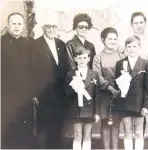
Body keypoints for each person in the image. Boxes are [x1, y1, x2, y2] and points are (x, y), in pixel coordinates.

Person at [30, 17, 68, 148]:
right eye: (48, 26)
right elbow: (31, 70)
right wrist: (34, 93)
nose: (51, 29)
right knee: (45, 126)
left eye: (54, 26)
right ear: (43, 28)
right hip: (44, 93)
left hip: (60, 93)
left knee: (59, 125)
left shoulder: (61, 44)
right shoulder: (35, 45)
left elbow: (65, 68)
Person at [1, 12, 36, 149]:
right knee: (8, 127)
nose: (16, 27)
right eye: (13, 23)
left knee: (25, 127)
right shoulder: (1, 42)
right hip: (6, 94)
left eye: (19, 24)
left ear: (23, 26)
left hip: (25, 95)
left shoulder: (28, 43)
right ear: (8, 25)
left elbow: (32, 70)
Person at [113, 35, 148, 150]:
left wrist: (146, 105)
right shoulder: (120, 64)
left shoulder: (145, 63)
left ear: (139, 47)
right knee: (127, 131)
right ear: (125, 48)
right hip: (125, 102)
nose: (132, 49)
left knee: (139, 132)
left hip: (139, 103)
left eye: (134, 46)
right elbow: (117, 85)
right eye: (129, 46)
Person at [93, 27, 123, 149]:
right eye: (109, 39)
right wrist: (110, 89)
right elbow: (97, 76)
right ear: (103, 40)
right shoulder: (98, 57)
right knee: (105, 123)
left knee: (116, 124)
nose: (112, 41)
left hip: (119, 94)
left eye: (115, 39)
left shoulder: (121, 55)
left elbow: (125, 74)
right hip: (104, 95)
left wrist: (119, 90)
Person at [64, 46, 100, 150]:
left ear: (89, 58)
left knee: (87, 135)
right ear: (75, 59)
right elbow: (67, 94)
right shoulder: (70, 75)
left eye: (84, 58)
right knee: (78, 135)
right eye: (79, 58)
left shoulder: (94, 74)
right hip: (76, 110)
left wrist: (97, 112)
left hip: (89, 110)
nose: (82, 60)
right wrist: (74, 88)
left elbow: (97, 95)